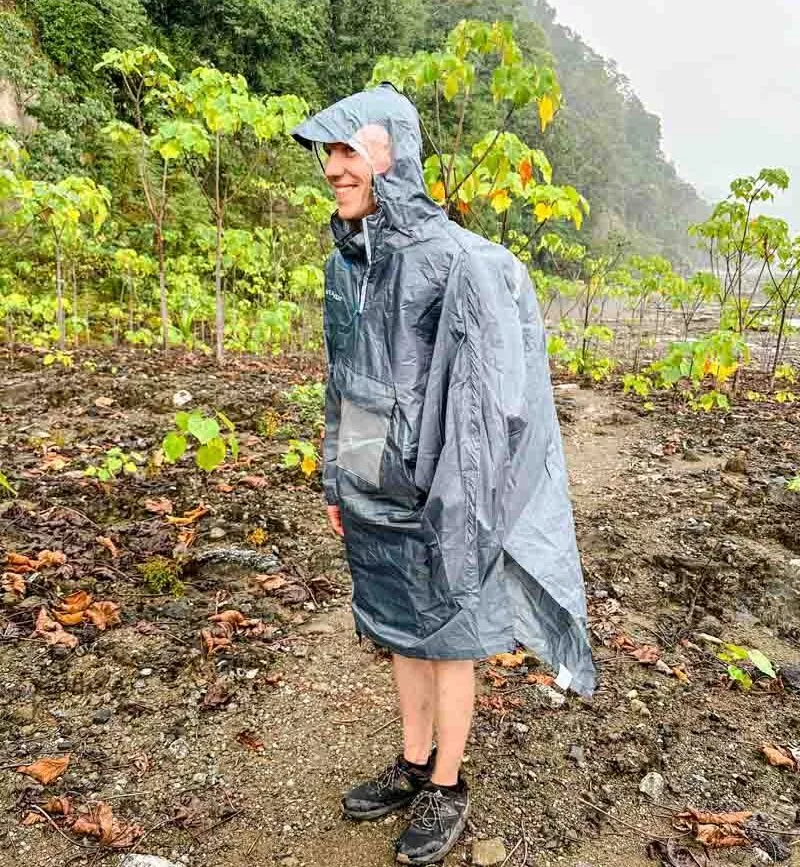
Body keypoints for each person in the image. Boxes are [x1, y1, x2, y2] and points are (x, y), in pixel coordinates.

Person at [291, 84, 594, 866]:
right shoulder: (346, 263)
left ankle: (448, 785)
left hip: (441, 494)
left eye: (349, 150)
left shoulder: (460, 262)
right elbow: (343, 379)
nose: (333, 168)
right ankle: (413, 758)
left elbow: (488, 403)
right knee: (397, 627)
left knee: (449, 633)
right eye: (329, 153)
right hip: (372, 487)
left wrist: (457, 505)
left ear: (396, 154)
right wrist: (337, 476)